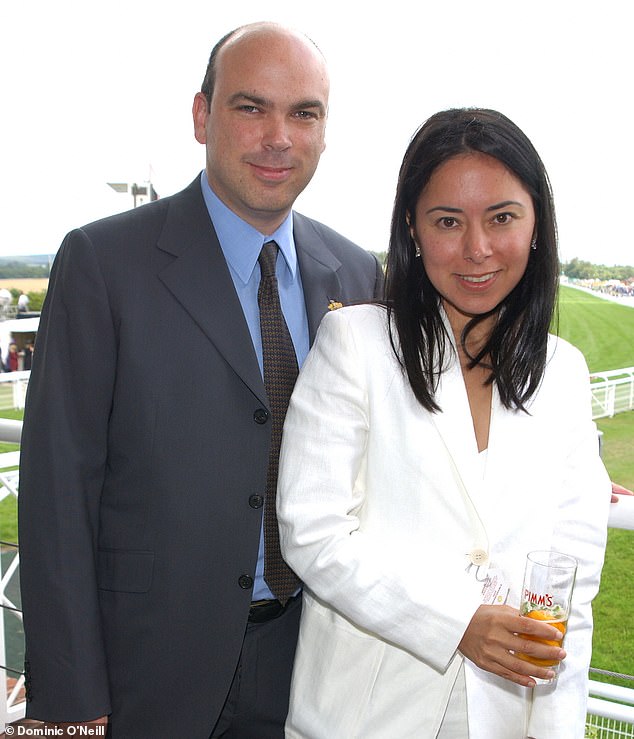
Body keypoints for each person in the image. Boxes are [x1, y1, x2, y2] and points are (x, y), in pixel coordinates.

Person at [18, 22, 383, 738]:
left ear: (324, 130)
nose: (279, 135)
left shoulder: (354, 273)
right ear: (200, 115)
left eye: (304, 113)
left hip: (312, 662)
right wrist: (68, 700)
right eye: (251, 107)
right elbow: (58, 491)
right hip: (146, 673)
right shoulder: (103, 263)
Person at [277, 108, 610, 738]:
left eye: (502, 218)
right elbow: (314, 530)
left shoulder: (564, 373)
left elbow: (572, 586)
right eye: (448, 222)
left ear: (536, 223)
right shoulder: (357, 343)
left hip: (510, 718)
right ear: (413, 228)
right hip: (366, 717)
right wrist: (457, 621)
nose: (477, 249)